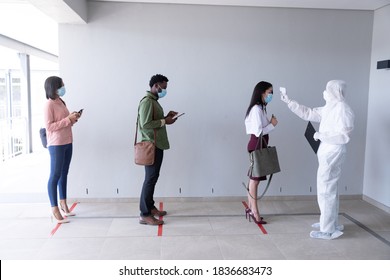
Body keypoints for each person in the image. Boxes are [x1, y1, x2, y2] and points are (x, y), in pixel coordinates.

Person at [280, 80, 354, 240]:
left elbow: (344, 136)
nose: (325, 92)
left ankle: (328, 230)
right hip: (327, 151)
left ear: (335, 91)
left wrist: (322, 135)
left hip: (333, 151)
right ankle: (329, 223)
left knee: (326, 190)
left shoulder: (343, 109)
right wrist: (290, 102)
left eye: (327, 89)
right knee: (329, 189)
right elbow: (309, 113)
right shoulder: (330, 107)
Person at [137, 74, 178, 226]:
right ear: (155, 86)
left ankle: (150, 207)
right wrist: (164, 121)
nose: (164, 91)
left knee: (153, 177)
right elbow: (145, 124)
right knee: (150, 179)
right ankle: (144, 214)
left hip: (157, 144)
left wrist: (166, 118)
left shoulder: (153, 101)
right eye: (163, 88)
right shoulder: (147, 102)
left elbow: (156, 122)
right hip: (151, 145)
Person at [44, 76, 81, 224]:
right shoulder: (49, 105)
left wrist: (73, 118)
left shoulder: (61, 101)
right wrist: (67, 120)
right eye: (61, 85)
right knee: (55, 175)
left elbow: (65, 122)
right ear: (54, 87)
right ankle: (54, 208)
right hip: (56, 144)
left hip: (67, 141)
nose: (64, 87)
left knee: (64, 173)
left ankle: (63, 203)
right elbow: (50, 126)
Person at [244, 81, 278, 224]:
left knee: (254, 180)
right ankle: (254, 212)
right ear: (262, 92)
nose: (271, 95)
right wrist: (272, 125)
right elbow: (258, 132)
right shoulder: (257, 109)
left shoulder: (260, 108)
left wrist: (269, 123)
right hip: (257, 146)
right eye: (270, 92)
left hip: (260, 146)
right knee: (255, 181)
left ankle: (251, 208)